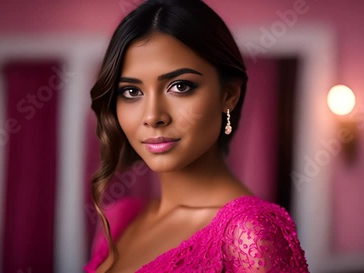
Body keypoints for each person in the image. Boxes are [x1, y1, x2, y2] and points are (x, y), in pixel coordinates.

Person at [84, 0, 309, 272]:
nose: (153, 115)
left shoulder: (249, 233)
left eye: (180, 86)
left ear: (229, 95)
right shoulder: (120, 219)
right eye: (132, 92)